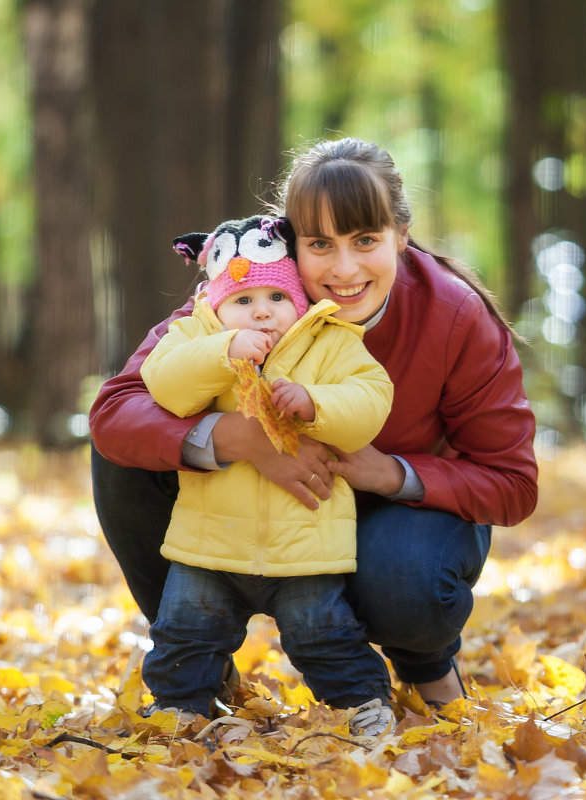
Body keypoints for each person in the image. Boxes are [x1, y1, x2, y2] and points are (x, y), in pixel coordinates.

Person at [89, 137, 538, 710]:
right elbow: (114, 413)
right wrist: (243, 440)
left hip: (397, 511)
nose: (344, 269)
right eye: (320, 243)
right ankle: (195, 654)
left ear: (401, 235)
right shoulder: (256, 295)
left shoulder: (454, 315)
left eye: (367, 240)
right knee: (126, 457)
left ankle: (424, 663)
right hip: (242, 502)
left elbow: (513, 484)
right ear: (288, 240)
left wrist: (391, 473)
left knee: (405, 578)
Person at [136, 214, 396, 735]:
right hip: (209, 543)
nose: (262, 314)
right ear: (216, 304)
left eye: (277, 299)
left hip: (305, 542)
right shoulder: (194, 335)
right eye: (244, 302)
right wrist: (220, 352)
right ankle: (179, 705)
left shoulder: (331, 341)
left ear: (297, 300)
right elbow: (164, 384)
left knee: (324, 634)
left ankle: (361, 703)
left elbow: (372, 398)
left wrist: (316, 403)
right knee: (186, 632)